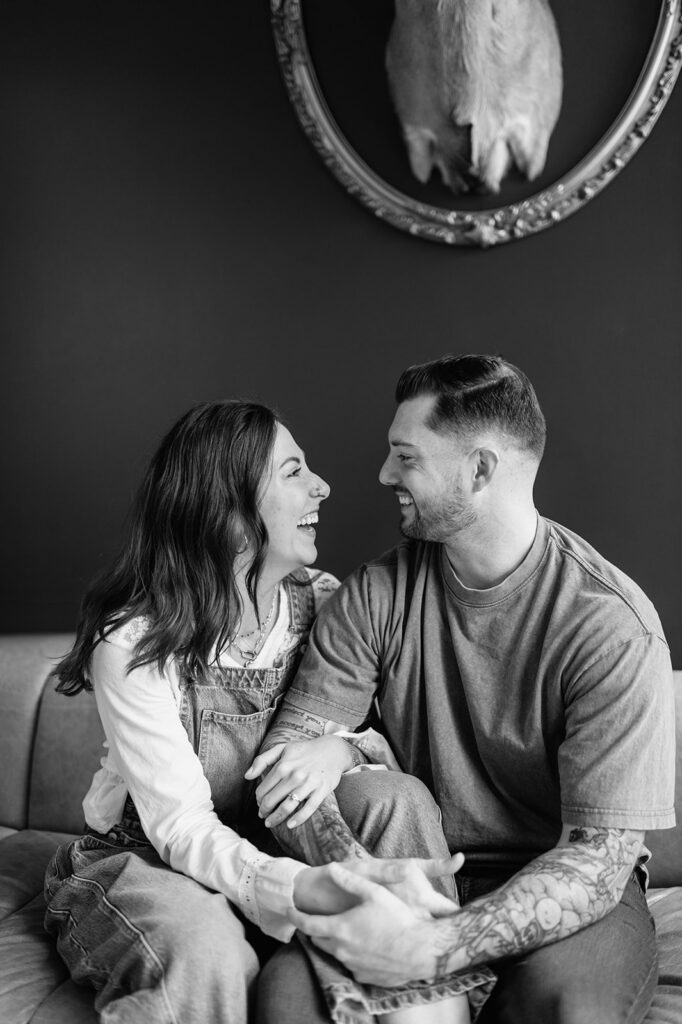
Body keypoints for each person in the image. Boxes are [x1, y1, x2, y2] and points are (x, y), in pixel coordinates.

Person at [252, 355, 676, 1024]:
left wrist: (433, 947)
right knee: (287, 1002)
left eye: (405, 457)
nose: (384, 474)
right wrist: (370, 883)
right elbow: (286, 783)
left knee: (570, 1011)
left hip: (561, 881)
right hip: (404, 867)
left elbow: (595, 863)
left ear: (479, 471)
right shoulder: (374, 595)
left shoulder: (611, 627)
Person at [43, 398, 480, 1024]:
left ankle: (429, 984)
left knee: (397, 798)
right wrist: (297, 887)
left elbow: (381, 737)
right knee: (205, 947)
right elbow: (183, 829)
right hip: (153, 861)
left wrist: (341, 748)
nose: (323, 487)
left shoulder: (326, 604)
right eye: (294, 472)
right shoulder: (134, 642)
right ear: (229, 510)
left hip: (280, 836)